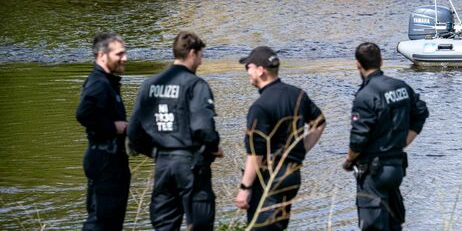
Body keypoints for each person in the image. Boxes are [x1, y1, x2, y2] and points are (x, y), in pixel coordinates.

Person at [127, 31, 222, 231]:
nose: (201, 61)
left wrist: (156, 153)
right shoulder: (196, 85)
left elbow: (134, 132)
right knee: (200, 223)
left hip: (163, 163)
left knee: (165, 224)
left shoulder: (149, 84)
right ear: (192, 53)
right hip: (191, 163)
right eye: (202, 55)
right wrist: (213, 148)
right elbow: (204, 128)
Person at [235, 46, 326, 230]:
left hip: (270, 179)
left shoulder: (259, 107)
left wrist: (244, 189)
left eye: (249, 67)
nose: (247, 72)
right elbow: (320, 123)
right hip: (292, 176)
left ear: (261, 71)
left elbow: (255, 154)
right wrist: (298, 150)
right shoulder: (297, 94)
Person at [342, 42, 429, 230]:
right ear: (381, 61)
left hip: (374, 172)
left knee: (373, 226)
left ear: (357, 64)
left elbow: (358, 138)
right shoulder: (400, 86)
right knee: (393, 224)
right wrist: (403, 142)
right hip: (396, 167)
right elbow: (421, 112)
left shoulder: (365, 95)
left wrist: (349, 160)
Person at [76, 33, 131, 230]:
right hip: (104, 160)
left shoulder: (107, 82)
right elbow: (83, 113)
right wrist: (113, 126)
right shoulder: (99, 83)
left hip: (110, 159)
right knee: (100, 223)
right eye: (120, 54)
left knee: (111, 223)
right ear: (102, 56)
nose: (125, 58)